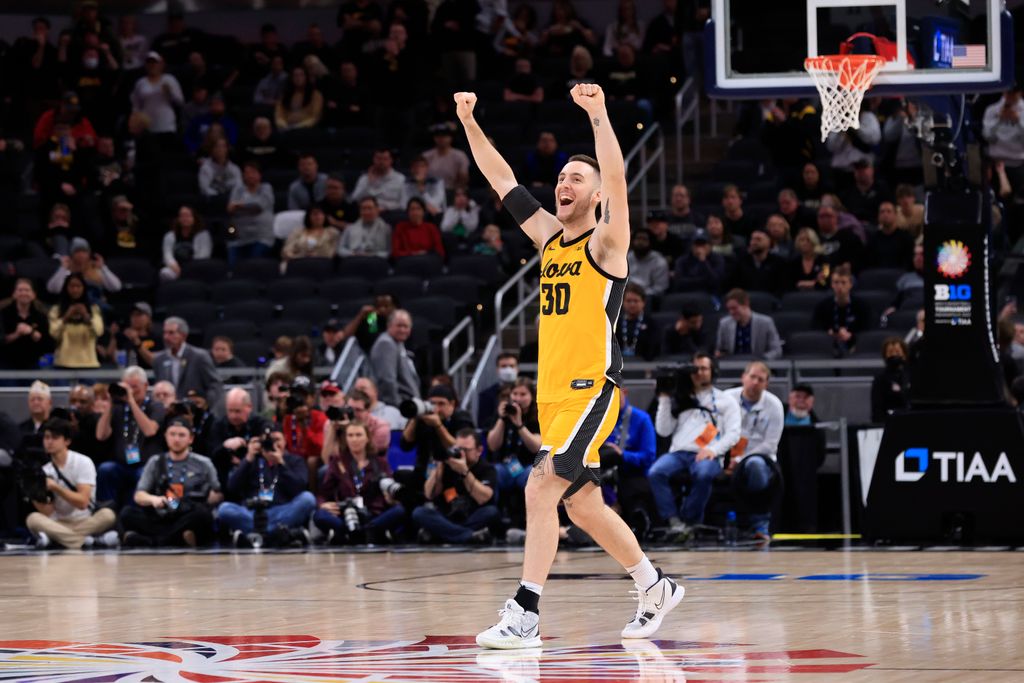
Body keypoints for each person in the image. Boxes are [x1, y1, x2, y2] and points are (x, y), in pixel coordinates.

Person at [456, 84, 682, 649]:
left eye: (575, 178)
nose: (563, 183)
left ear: (596, 192)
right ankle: (654, 586)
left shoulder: (607, 244)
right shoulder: (550, 240)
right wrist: (469, 121)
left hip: (593, 390)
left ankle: (526, 611)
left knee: (539, 486)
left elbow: (619, 182)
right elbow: (502, 180)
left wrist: (600, 116)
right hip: (552, 397)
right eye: (560, 177)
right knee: (580, 503)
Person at [648, 352, 741, 539]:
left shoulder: (725, 401)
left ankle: (690, 521)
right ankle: (675, 521)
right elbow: (664, 431)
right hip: (679, 453)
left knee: (704, 472)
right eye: (695, 369)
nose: (699, 372)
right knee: (655, 472)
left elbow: (734, 433)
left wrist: (713, 450)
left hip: (709, 454)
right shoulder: (681, 398)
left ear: (713, 371)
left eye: (704, 368)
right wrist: (665, 398)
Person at [119, 416, 223, 548]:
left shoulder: (203, 463)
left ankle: (151, 541)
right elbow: (139, 495)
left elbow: (218, 493)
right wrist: (154, 499)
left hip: (187, 514)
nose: (176, 439)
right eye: (172, 434)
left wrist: (211, 498)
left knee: (203, 516)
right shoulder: (156, 462)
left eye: (181, 435)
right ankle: (174, 540)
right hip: (162, 514)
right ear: (166, 436)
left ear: (190, 438)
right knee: (127, 513)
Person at [26, 417, 118, 549]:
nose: (49, 442)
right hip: (58, 523)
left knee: (108, 515)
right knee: (32, 519)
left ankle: (57, 540)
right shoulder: (44, 470)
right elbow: (49, 512)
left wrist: (55, 487)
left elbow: (82, 502)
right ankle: (89, 542)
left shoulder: (82, 462)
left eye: (55, 437)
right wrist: (34, 494)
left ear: (67, 441)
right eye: (46, 437)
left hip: (84, 521)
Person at [218, 426, 317, 547]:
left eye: (277, 440)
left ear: (285, 440)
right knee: (224, 509)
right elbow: (232, 487)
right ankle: (278, 535)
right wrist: (248, 458)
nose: (273, 444)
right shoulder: (252, 460)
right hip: (253, 513)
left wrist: (281, 463)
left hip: (282, 511)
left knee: (307, 498)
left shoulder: (294, 460)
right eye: (268, 441)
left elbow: (299, 487)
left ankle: (257, 536)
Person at [722, 361, 785, 540]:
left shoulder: (774, 405)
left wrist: (740, 460)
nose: (755, 382)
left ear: (766, 384)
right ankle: (691, 525)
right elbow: (714, 430)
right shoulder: (727, 398)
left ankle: (760, 525)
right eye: (752, 377)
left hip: (760, 458)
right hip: (725, 454)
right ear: (743, 377)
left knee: (755, 466)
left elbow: (770, 444)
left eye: (761, 379)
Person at [315, 420, 404, 544]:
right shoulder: (338, 462)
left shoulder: (380, 462)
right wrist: (322, 504)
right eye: (350, 435)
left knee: (399, 510)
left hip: (374, 512)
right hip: (347, 513)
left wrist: (390, 499)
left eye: (358, 435)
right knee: (320, 515)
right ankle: (351, 531)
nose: (354, 439)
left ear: (367, 438)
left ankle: (365, 532)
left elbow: (389, 491)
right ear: (345, 439)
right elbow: (323, 493)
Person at [412, 428, 498, 544]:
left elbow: (484, 498)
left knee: (491, 512)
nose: (461, 453)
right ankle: (468, 536)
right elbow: (429, 494)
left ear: (479, 450)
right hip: (447, 515)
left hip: (472, 516)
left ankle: (443, 534)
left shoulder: (487, 468)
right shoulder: (447, 466)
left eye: (466, 450)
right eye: (458, 449)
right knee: (419, 512)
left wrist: (465, 471)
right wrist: (440, 465)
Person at [95, 365, 165, 509]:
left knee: (142, 474)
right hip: (122, 464)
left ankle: (136, 516)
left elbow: (149, 430)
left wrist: (131, 401)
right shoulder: (118, 408)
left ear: (146, 386)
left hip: (146, 465)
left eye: (135, 387)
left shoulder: (155, 406)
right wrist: (110, 404)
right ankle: (107, 514)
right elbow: (101, 435)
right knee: (105, 469)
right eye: (128, 387)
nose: (131, 391)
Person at [599, 387, 657, 538]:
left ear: (623, 392)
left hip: (631, 471)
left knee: (634, 487)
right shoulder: (598, 419)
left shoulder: (642, 419)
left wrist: (623, 454)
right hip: (602, 472)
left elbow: (648, 456)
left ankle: (637, 522)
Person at [153, 317, 225, 416]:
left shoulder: (199, 357)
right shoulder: (159, 359)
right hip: (167, 414)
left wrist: (206, 403)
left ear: (183, 335)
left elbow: (215, 385)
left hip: (194, 413)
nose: (166, 337)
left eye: (171, 333)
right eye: (165, 333)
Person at [486, 378, 542, 505]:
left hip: (528, 466)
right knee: (492, 472)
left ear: (532, 396)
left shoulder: (538, 415)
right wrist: (501, 419)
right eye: (515, 394)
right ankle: (493, 514)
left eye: (523, 394)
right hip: (505, 465)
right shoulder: (503, 413)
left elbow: (536, 447)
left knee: (532, 475)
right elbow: (492, 445)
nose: (518, 398)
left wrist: (519, 425)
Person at [812, 264, 871, 356]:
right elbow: (815, 327)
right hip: (828, 348)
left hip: (855, 348)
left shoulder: (862, 306)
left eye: (843, 282)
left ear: (850, 284)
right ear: (831, 284)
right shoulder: (823, 306)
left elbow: (868, 329)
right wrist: (829, 334)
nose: (839, 286)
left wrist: (852, 335)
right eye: (836, 282)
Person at [48, 273, 103, 369]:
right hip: (63, 363)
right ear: (66, 288)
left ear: (84, 288)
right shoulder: (56, 309)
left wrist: (86, 316)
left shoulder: (93, 309)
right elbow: (53, 333)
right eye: (72, 286)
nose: (75, 290)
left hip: (89, 364)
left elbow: (99, 331)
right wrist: (66, 316)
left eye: (78, 286)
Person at [226, 160, 275, 266]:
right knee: (232, 260)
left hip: (261, 238)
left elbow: (259, 206)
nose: (250, 175)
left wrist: (239, 205)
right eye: (247, 173)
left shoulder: (266, 188)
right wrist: (248, 207)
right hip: (240, 239)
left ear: (259, 174)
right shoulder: (238, 190)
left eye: (253, 172)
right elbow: (230, 208)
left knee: (254, 263)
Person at [369, 310, 421, 406]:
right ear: (389, 325)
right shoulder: (386, 343)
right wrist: (397, 405)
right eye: (399, 326)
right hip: (395, 406)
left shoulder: (397, 343)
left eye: (406, 326)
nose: (402, 330)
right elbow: (386, 380)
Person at [715, 288, 783, 360]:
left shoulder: (766, 322)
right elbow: (720, 350)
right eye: (729, 309)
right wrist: (720, 354)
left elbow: (777, 351)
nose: (731, 312)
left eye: (734, 308)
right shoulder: (724, 324)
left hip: (758, 365)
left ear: (746, 304)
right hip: (732, 365)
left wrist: (762, 359)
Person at [1, 279, 53, 370]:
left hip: (34, 364)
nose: (24, 293)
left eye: (27, 290)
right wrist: (16, 334)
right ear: (14, 294)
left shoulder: (41, 316)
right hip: (8, 365)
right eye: (20, 290)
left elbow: (48, 343)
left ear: (33, 295)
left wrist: (32, 332)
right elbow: (1, 341)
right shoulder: (4, 314)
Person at [130, 52, 183, 138]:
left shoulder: (169, 79)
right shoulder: (141, 83)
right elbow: (135, 105)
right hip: (147, 127)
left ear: (160, 64)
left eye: (154, 62)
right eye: (149, 63)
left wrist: (170, 92)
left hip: (166, 125)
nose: (152, 65)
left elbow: (180, 102)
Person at [160, 205, 212, 281]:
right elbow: (167, 255)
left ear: (194, 218)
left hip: (195, 269)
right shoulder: (170, 236)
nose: (185, 219)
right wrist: (176, 268)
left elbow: (203, 256)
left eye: (188, 216)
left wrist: (189, 270)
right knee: (164, 272)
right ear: (178, 219)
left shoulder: (203, 235)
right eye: (182, 216)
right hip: (176, 269)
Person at [871, 337, 911, 423]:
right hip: (888, 423)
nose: (894, 355)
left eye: (897, 352)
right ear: (885, 356)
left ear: (904, 354)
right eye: (890, 352)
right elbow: (877, 408)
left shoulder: (912, 376)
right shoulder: (880, 379)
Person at [673, 229, 725, 294]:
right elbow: (679, 283)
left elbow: (715, 282)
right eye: (697, 244)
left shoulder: (717, 259)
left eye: (703, 244)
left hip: (709, 294)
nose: (699, 248)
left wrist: (703, 261)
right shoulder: (682, 260)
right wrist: (703, 281)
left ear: (710, 246)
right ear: (691, 246)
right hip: (687, 294)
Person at [618, 283, 661, 361]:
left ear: (643, 303)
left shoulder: (652, 324)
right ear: (622, 302)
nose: (632, 304)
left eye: (636, 301)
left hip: (644, 366)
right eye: (628, 301)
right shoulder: (615, 324)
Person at [866, 201, 914, 270]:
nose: (885, 214)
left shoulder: (906, 238)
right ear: (878, 216)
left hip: (900, 276)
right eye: (882, 212)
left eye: (889, 211)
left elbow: (908, 263)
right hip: (878, 275)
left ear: (895, 215)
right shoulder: (873, 239)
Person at [274, 66, 324, 131]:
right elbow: (278, 115)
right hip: (286, 127)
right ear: (291, 78)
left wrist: (297, 127)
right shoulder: (285, 95)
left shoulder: (316, 95)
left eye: (301, 75)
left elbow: (315, 117)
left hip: (306, 129)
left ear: (306, 77)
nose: (298, 78)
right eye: (295, 75)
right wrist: (283, 124)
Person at [627, 229, 669, 298]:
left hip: (650, 298)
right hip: (626, 295)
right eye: (638, 239)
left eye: (644, 239)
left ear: (650, 242)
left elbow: (660, 288)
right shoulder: (626, 259)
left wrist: (640, 294)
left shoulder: (659, 262)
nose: (640, 242)